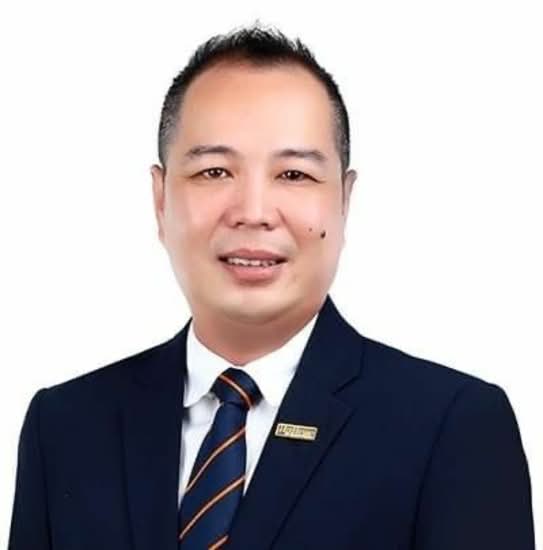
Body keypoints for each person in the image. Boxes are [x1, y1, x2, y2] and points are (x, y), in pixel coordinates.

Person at [8, 24, 535, 550]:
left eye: (294, 175)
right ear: (160, 199)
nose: (254, 212)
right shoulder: (66, 427)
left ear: (344, 200)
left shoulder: (451, 427)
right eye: (215, 172)